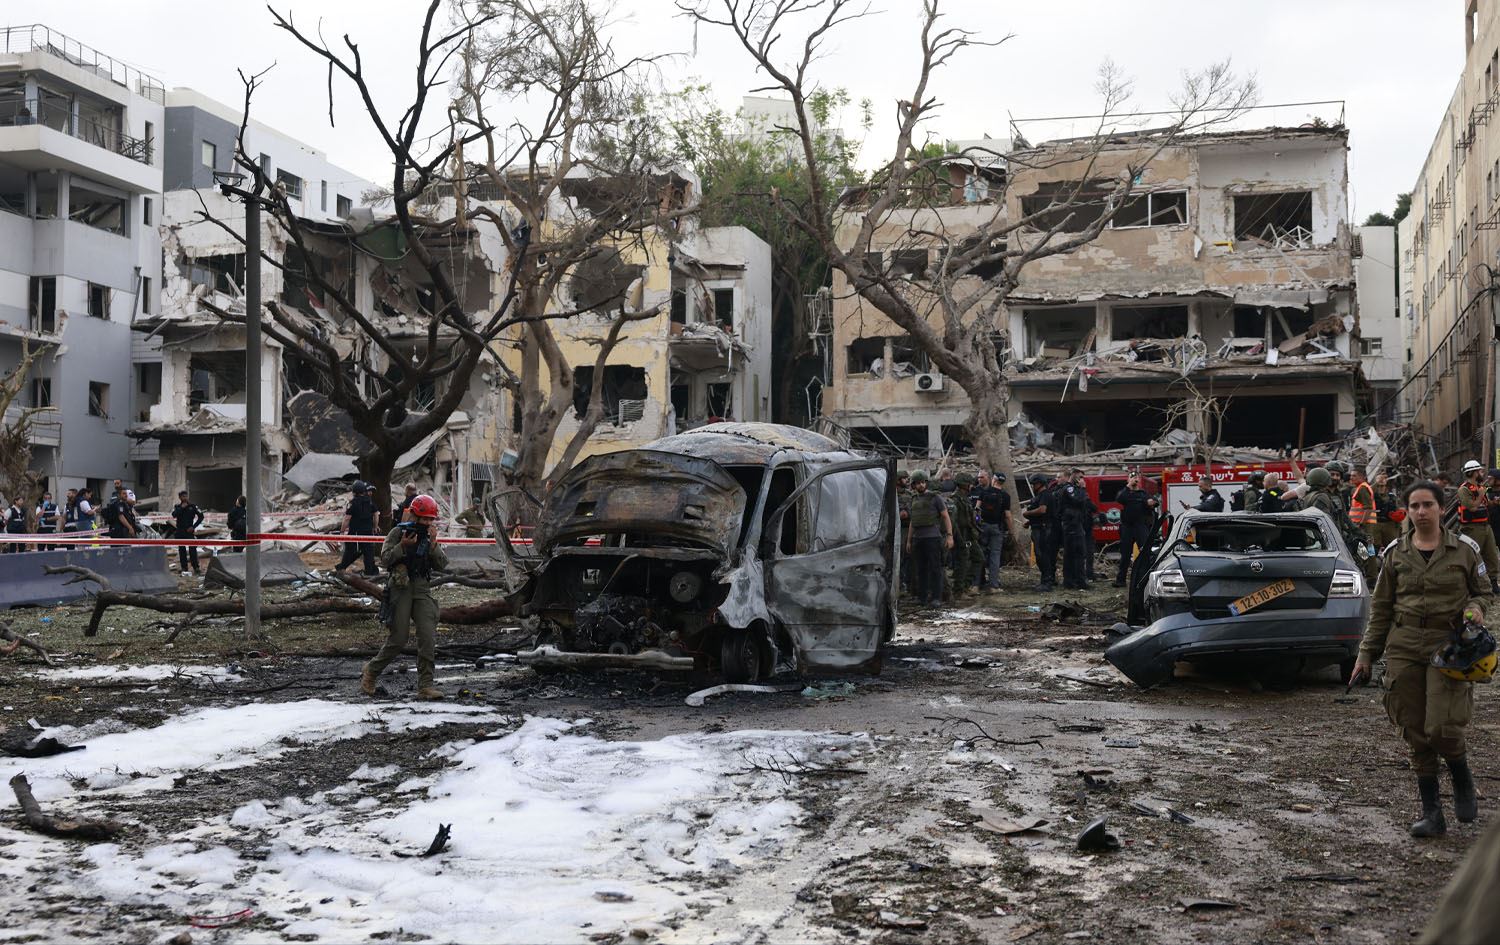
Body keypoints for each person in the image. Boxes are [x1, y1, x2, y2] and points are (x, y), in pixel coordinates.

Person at [1351, 480, 1492, 837]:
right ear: (1408, 511)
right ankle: (1432, 813)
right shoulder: (1396, 553)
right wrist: (1366, 655)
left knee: (1442, 727)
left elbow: (1484, 592)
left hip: (1448, 646)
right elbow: (1381, 608)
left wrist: (1475, 610)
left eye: (1428, 504)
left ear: (1441, 509)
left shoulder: (1463, 550)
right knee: (1415, 731)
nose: (1421, 511)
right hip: (1404, 646)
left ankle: (1461, 775)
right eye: (1414, 506)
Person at [362, 493, 451, 700]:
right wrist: (403, 546)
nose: (428, 523)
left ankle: (426, 685)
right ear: (415, 516)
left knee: (427, 637)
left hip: (421, 588)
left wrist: (433, 545)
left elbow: (442, 564)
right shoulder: (398, 532)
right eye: (425, 519)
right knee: (399, 638)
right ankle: (371, 672)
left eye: (431, 519)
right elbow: (384, 559)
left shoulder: (430, 536)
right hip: (400, 587)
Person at [904, 470, 951, 607]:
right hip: (918, 539)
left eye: (923, 482)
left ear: (926, 483)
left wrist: (949, 536)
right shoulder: (913, 499)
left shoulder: (935, 498)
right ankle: (922, 597)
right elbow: (913, 521)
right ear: (913, 485)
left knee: (936, 569)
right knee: (920, 569)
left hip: (933, 538)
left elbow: (945, 516)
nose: (921, 485)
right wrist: (909, 540)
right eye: (918, 483)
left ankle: (936, 597)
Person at [1456, 460, 1500, 592]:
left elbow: (1484, 505)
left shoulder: (1479, 488)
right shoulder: (1464, 489)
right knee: (1473, 556)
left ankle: (1493, 583)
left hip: (1486, 526)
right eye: (1480, 471)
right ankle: (1470, 585)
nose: (1482, 474)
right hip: (1472, 528)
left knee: (1491, 555)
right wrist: (1481, 495)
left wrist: (1494, 502)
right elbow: (1472, 507)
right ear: (1473, 473)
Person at [1114, 473, 1157, 587]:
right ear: (1128, 480)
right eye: (1132, 478)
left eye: (1136, 478)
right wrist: (1129, 486)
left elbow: (1154, 501)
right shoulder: (1124, 492)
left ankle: (1146, 579)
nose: (1134, 479)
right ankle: (1120, 580)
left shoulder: (1143, 494)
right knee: (1125, 555)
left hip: (1140, 527)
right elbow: (1119, 499)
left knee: (1145, 553)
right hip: (1127, 527)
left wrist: (1151, 503)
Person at [1057, 469, 1094, 591]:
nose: (1082, 480)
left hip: (1076, 524)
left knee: (1077, 554)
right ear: (1074, 477)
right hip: (1071, 525)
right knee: (1076, 554)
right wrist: (1083, 489)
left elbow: (1085, 504)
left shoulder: (1075, 490)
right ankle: (1076, 581)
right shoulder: (1069, 489)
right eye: (1080, 477)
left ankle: (1074, 580)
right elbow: (1078, 500)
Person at [974, 471, 1011, 592]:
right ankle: (993, 586)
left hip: (983, 527)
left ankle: (976, 584)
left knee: (980, 555)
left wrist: (978, 522)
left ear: (994, 480)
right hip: (997, 528)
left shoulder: (984, 493)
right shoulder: (1005, 496)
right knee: (995, 557)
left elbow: (977, 510)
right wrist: (1011, 531)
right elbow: (1008, 516)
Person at [1023, 473, 1059, 592]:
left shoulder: (1045, 495)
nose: (1033, 486)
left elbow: (1042, 510)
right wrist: (1029, 522)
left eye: (1034, 484)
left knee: (1043, 556)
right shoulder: (1040, 496)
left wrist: (1027, 514)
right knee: (1040, 556)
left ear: (1039, 484)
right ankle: (1045, 580)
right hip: (1039, 527)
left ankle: (1047, 582)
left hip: (1044, 530)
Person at [948, 473, 981, 599]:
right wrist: (958, 538)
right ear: (964, 485)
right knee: (961, 563)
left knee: (978, 558)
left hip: (969, 534)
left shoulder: (965, 498)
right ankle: (958, 590)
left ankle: (965, 586)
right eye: (969, 484)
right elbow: (953, 521)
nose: (971, 486)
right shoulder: (955, 499)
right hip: (960, 535)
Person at [336, 481, 380, 576]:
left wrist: (342, 532)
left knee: (350, 551)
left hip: (355, 533)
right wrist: (375, 527)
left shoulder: (353, 503)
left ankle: (341, 568)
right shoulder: (369, 501)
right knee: (368, 553)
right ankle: (370, 572)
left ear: (354, 491)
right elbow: (376, 514)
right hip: (368, 532)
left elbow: (347, 518)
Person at [171, 490, 205, 576]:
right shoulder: (177, 507)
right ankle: (184, 568)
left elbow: (201, 516)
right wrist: (182, 507)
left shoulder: (193, 506)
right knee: (182, 550)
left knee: (192, 549)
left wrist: (194, 527)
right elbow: (174, 515)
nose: (185, 498)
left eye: (186, 496)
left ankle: (196, 567)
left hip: (189, 531)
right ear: (180, 498)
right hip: (180, 531)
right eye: (183, 496)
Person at [1371, 472, 1402, 550]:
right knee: (1374, 547)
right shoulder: (1370, 495)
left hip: (1389, 524)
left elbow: (1397, 511)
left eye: (1382, 486)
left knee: (1392, 546)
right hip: (1375, 523)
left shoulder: (1392, 497)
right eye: (1378, 486)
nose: (1381, 488)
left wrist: (1398, 526)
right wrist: (1377, 481)